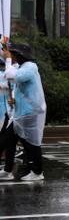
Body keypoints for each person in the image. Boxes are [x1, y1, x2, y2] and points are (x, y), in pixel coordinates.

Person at [0, 43, 46, 181]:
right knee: (9, 140)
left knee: (31, 143)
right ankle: (8, 170)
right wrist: (13, 101)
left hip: (30, 112)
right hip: (20, 114)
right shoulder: (22, 67)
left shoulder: (30, 68)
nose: (12, 56)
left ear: (20, 56)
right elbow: (16, 84)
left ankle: (38, 172)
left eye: (14, 54)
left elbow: (10, 76)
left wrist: (8, 60)